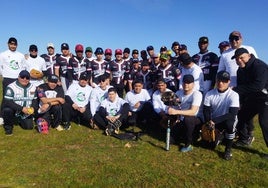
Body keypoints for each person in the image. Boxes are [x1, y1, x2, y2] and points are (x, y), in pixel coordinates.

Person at [231, 48, 268, 159]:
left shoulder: (259, 66)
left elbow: (258, 86)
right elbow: (242, 89)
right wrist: (240, 102)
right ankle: (244, 139)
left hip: (265, 96)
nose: (239, 60)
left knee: (264, 123)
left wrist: (236, 89)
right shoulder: (240, 70)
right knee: (241, 115)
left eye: (242, 57)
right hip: (253, 98)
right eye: (237, 59)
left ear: (249, 56)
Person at [203, 71, 240, 160]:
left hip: (228, 119)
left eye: (224, 81)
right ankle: (220, 136)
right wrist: (208, 122)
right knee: (210, 146)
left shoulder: (234, 95)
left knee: (229, 125)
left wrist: (214, 121)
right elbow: (206, 110)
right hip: (214, 120)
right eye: (219, 80)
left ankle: (228, 149)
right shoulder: (209, 93)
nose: (220, 83)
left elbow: (232, 113)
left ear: (229, 82)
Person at [167, 74, 203, 152]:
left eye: (189, 83)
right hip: (181, 118)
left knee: (188, 119)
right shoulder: (179, 93)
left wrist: (176, 112)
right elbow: (174, 107)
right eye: (184, 83)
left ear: (193, 84)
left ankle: (188, 144)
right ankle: (181, 136)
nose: (186, 85)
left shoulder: (197, 94)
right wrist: (173, 112)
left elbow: (193, 112)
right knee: (171, 140)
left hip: (195, 120)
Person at [2, 70, 37, 135]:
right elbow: (8, 102)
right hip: (14, 110)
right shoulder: (11, 86)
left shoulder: (33, 87)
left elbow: (35, 100)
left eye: (27, 78)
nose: (25, 79)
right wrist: (21, 108)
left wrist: (33, 108)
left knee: (29, 127)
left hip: (26, 112)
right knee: (7, 110)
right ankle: (8, 128)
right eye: (22, 77)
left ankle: (19, 120)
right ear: (18, 77)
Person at [0, 37, 24, 125]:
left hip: (18, 79)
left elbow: (23, 67)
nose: (13, 46)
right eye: (11, 44)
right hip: (7, 78)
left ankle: (16, 115)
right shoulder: (3, 54)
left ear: (17, 45)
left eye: (14, 44)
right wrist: (4, 74)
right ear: (8, 44)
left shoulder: (21, 55)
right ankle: (2, 117)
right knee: (6, 98)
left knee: (18, 97)